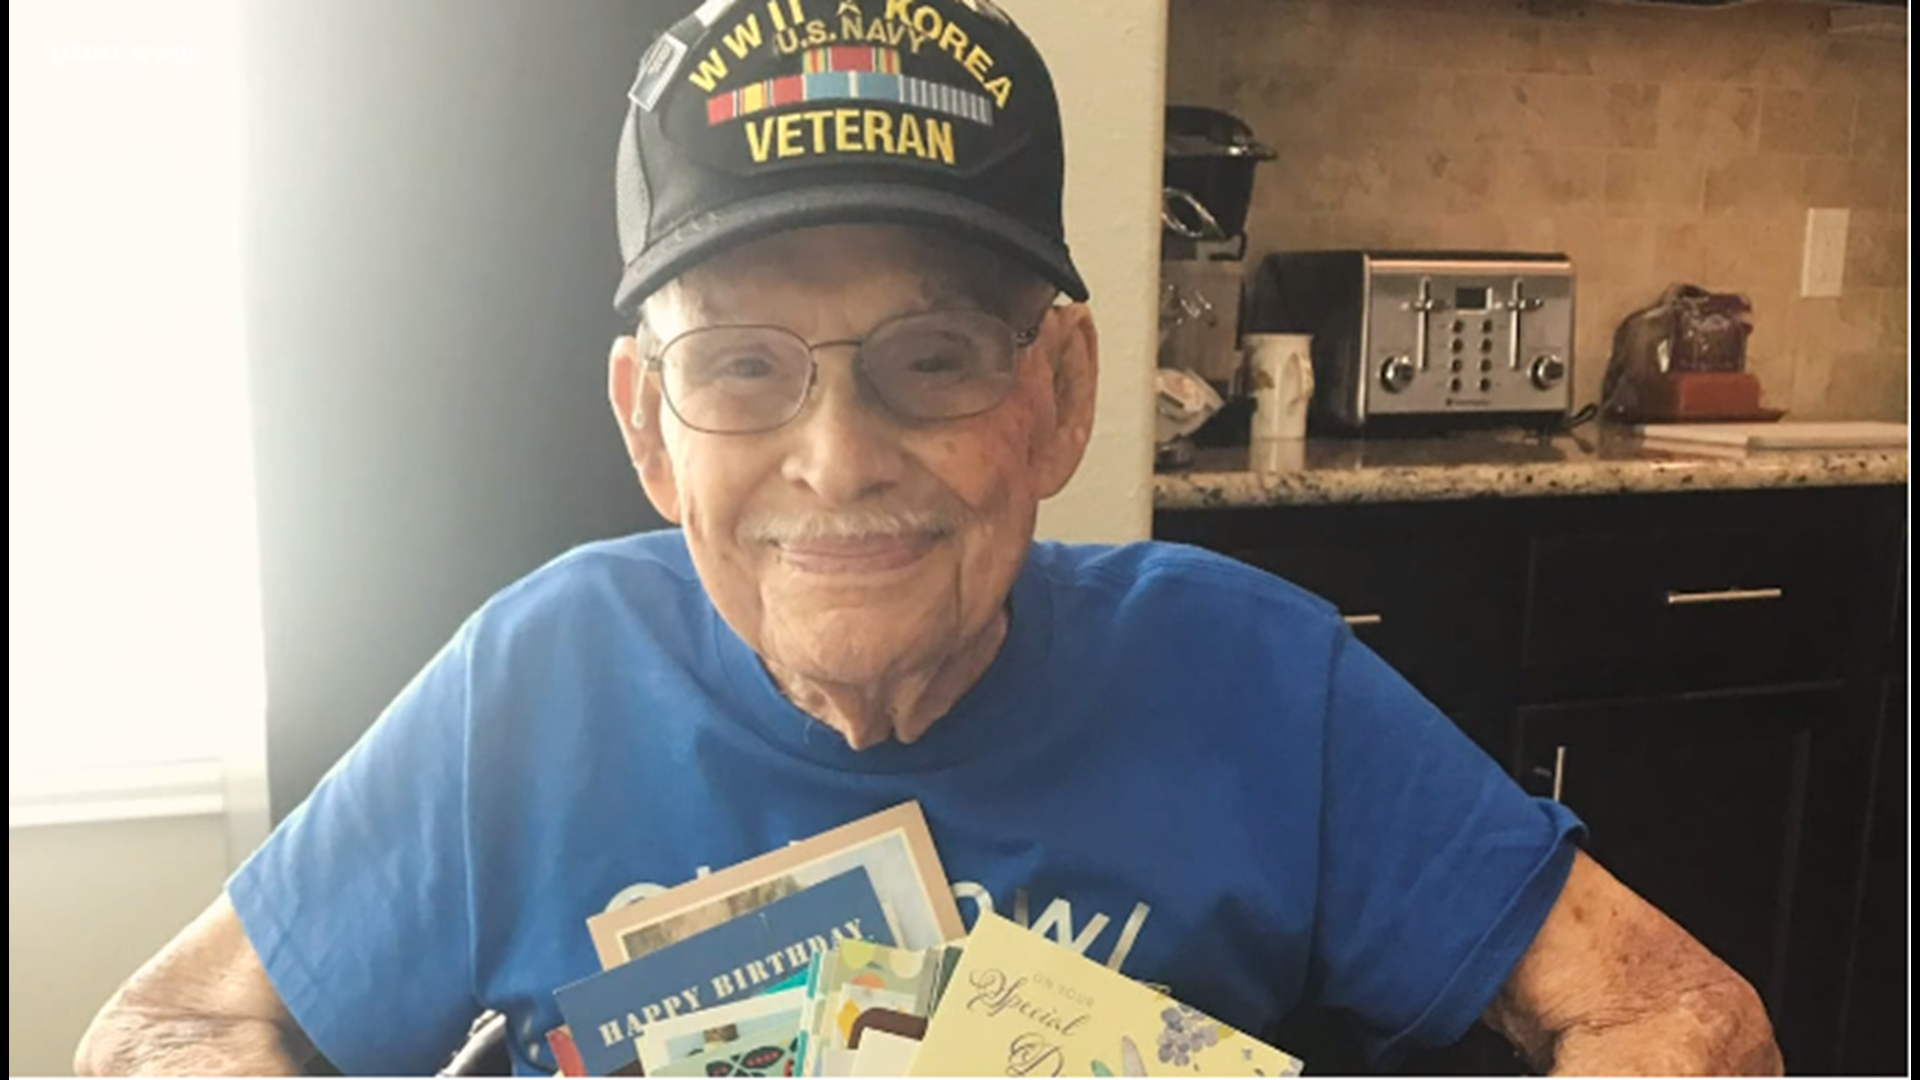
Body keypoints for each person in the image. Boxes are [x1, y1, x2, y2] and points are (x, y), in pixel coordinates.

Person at [76, 1, 1781, 1075]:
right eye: (742, 368)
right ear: (649, 428)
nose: (838, 460)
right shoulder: (535, 681)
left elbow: (1686, 1018)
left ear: (1056, 395)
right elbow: (160, 1028)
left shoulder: (1249, 673)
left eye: (933, 359)